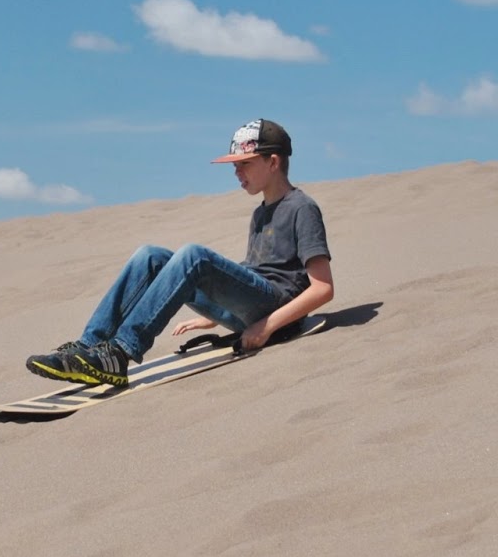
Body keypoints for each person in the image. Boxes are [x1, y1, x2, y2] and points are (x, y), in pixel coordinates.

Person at [26, 119, 334, 388]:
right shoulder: (260, 213)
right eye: (235, 165)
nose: (237, 172)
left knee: (193, 255)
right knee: (150, 256)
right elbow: (255, 271)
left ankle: (119, 353)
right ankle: (89, 347)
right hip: (253, 309)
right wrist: (213, 317)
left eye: (245, 163)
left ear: (273, 162)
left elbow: (323, 289)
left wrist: (265, 326)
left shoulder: (302, 208)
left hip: (277, 316)